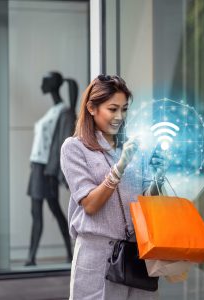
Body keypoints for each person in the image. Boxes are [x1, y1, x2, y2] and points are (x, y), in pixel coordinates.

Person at [60, 74, 167, 299]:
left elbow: (148, 203)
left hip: (135, 254)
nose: (120, 116)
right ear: (91, 108)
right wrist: (120, 166)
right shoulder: (75, 148)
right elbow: (90, 204)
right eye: (113, 109)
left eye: (125, 109)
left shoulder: (131, 147)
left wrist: (158, 176)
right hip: (97, 256)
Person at [26, 71, 77, 266]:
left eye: (44, 81)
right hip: (37, 166)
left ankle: (65, 253)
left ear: (52, 85)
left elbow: (60, 145)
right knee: (39, 211)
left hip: (46, 169)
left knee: (53, 210)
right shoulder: (53, 111)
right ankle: (32, 257)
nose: (41, 84)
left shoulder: (63, 111)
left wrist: (53, 171)